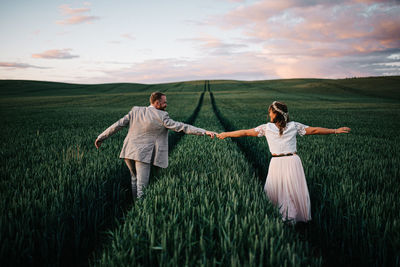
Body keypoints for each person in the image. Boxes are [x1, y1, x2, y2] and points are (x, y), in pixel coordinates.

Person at [217, 101, 350, 223]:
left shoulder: (270, 127)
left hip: (282, 162)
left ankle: (287, 219)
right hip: (290, 162)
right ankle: (287, 219)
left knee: (283, 191)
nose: (269, 115)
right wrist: (334, 130)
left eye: (270, 112)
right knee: (286, 191)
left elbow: (245, 133)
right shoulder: (288, 126)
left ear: (276, 114)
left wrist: (335, 131)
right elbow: (314, 130)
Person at [95, 92, 216, 199]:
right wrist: (204, 132)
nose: (166, 105)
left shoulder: (135, 111)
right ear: (157, 103)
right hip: (143, 154)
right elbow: (182, 127)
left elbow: (117, 125)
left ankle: (135, 203)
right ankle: (140, 210)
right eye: (164, 103)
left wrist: (101, 137)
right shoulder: (162, 116)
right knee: (142, 187)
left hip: (128, 151)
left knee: (134, 179)